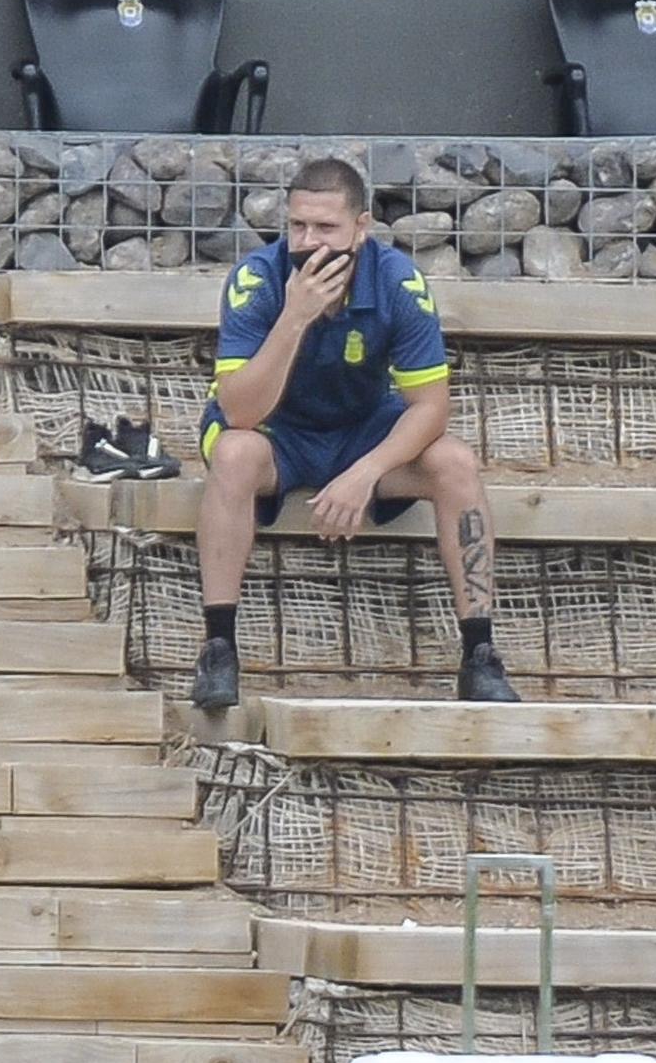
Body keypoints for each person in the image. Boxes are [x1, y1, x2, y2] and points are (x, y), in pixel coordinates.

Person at [191, 157, 519, 709]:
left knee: (455, 462)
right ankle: (219, 647)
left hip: (361, 430)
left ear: (361, 228)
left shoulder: (397, 281)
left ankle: (480, 654)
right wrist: (294, 317)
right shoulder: (256, 279)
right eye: (297, 226)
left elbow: (431, 408)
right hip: (277, 430)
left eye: (325, 229)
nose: (308, 241)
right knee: (234, 453)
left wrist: (365, 473)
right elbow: (240, 410)